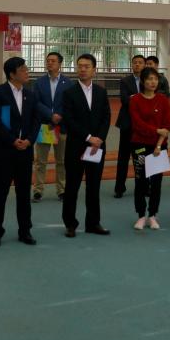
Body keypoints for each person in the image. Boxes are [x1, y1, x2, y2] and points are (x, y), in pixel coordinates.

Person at [0, 57, 39, 248]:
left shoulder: (30, 94)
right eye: (23, 69)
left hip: (25, 151)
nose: (27, 72)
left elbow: (36, 121)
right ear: (12, 74)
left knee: (23, 194)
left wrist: (29, 140)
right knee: (0, 194)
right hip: (4, 151)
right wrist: (12, 140)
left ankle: (25, 231)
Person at [60, 53, 112, 238]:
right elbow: (69, 120)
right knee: (72, 187)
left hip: (97, 147)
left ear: (94, 70)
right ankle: (70, 224)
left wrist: (100, 138)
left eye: (86, 66)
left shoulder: (101, 92)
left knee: (94, 186)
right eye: (80, 66)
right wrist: (89, 137)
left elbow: (106, 117)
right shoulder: (69, 93)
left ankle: (93, 223)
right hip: (76, 146)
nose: (82, 69)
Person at [127, 66, 170, 230]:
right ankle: (141, 215)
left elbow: (168, 124)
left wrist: (159, 144)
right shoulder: (135, 100)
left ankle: (152, 215)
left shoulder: (163, 100)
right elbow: (137, 124)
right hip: (139, 146)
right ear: (143, 81)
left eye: (155, 79)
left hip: (159, 147)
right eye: (149, 79)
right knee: (141, 181)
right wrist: (156, 130)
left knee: (156, 182)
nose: (153, 82)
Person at [31, 51, 69, 202]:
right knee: (41, 161)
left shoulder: (68, 82)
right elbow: (36, 102)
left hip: (62, 126)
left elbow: (70, 103)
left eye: (53, 61)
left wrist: (59, 115)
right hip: (45, 126)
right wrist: (50, 114)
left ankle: (62, 190)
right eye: (48, 61)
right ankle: (38, 190)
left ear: (60, 64)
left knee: (62, 161)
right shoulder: (39, 82)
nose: (49, 63)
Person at [114, 54, 145, 199]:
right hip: (127, 124)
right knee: (123, 157)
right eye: (135, 62)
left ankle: (143, 187)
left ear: (144, 65)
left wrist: (134, 97)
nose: (137, 65)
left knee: (141, 157)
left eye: (140, 62)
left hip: (143, 126)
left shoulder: (149, 80)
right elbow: (125, 100)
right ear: (131, 65)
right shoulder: (125, 81)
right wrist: (140, 98)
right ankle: (119, 188)